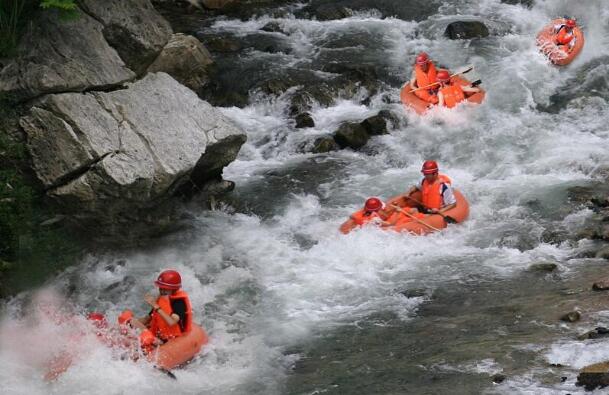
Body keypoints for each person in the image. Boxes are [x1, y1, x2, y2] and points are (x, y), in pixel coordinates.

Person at [119, 270, 193, 352]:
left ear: (174, 289)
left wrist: (156, 306)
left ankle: (147, 343)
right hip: (157, 336)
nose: (161, 291)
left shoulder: (179, 303)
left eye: (165, 289)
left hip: (169, 339)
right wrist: (128, 324)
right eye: (160, 288)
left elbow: (172, 322)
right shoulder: (161, 300)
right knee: (131, 321)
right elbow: (147, 319)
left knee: (144, 336)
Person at [387, 160, 457, 215]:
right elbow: (416, 187)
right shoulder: (424, 180)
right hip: (425, 209)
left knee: (413, 214)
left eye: (427, 174)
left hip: (435, 212)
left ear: (435, 174)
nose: (425, 176)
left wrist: (440, 211)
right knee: (409, 211)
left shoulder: (444, 186)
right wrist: (408, 193)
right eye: (424, 174)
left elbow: (453, 204)